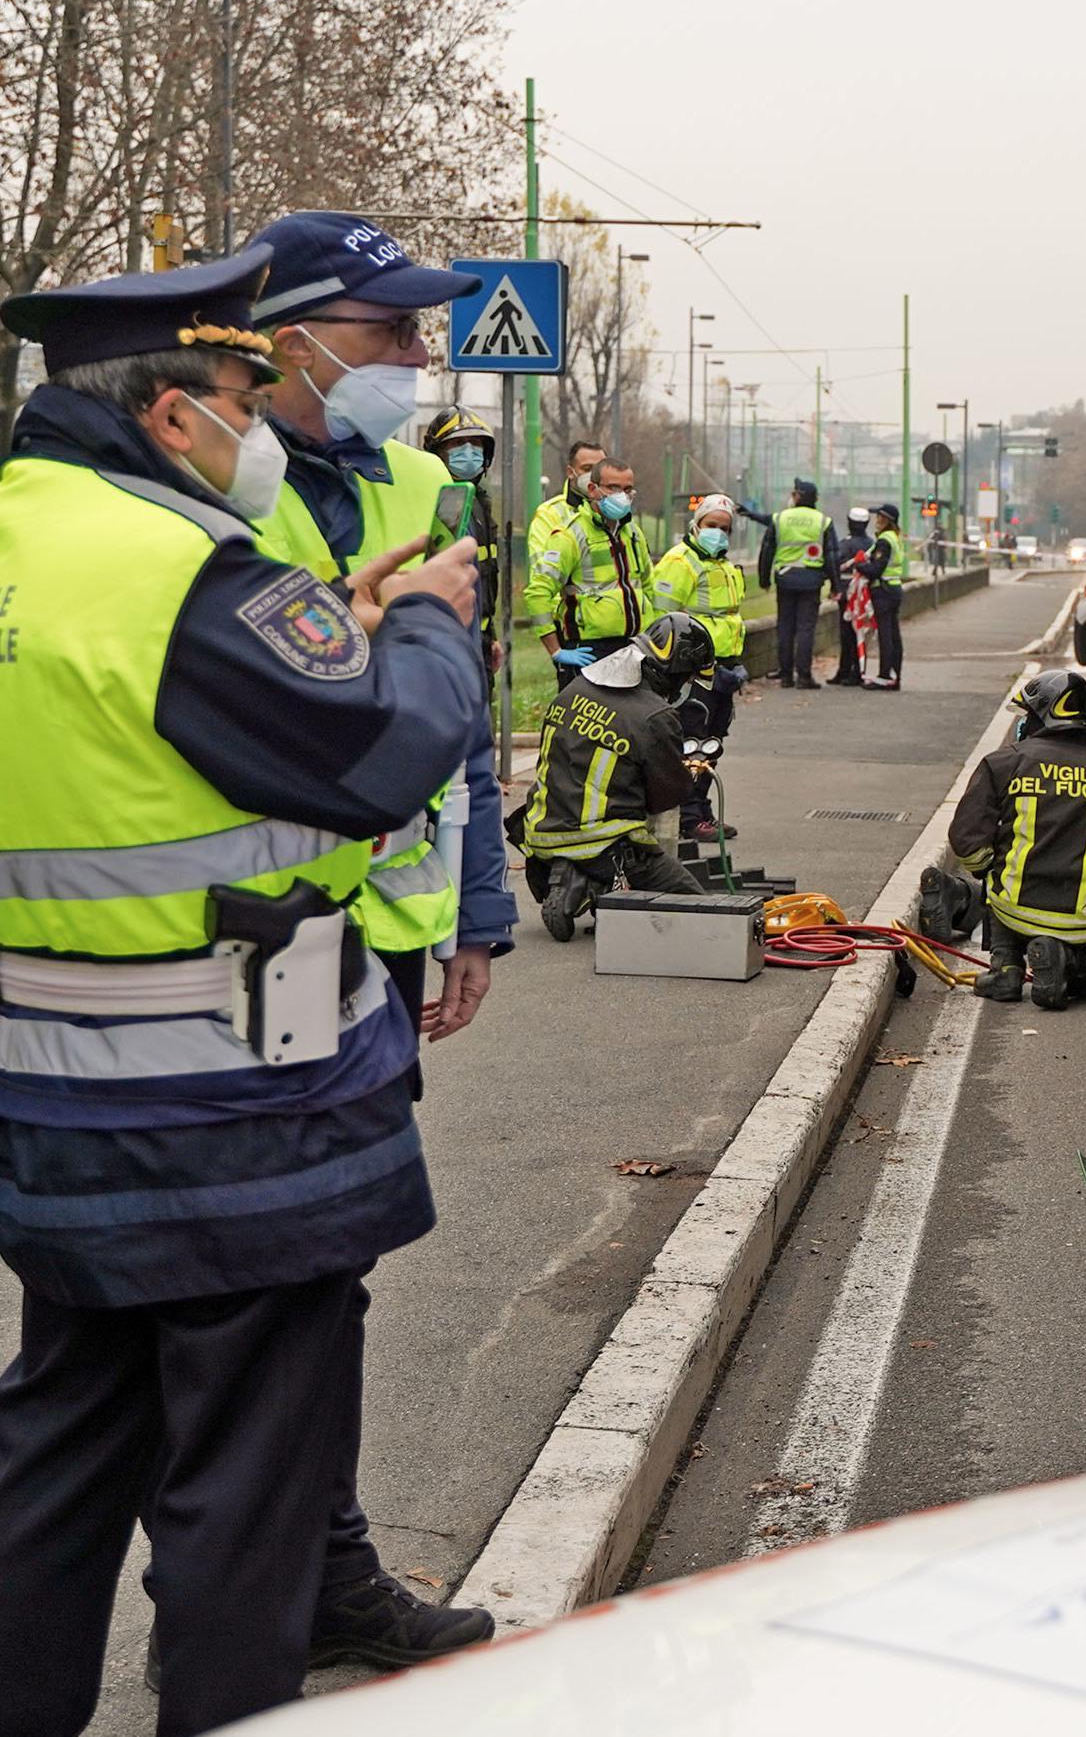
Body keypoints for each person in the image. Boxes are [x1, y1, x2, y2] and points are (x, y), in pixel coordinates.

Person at [0, 249, 485, 1736]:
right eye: (230, 394)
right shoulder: (182, 567)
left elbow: (143, 732)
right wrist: (419, 625)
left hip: (50, 1100)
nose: (250, 421)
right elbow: (381, 754)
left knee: (65, 1447)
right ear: (167, 417)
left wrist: (322, 620)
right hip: (234, 1112)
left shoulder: (27, 537)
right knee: (245, 1493)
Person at [242, 210, 513, 1677]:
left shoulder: (418, 478)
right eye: (389, 333)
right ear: (289, 335)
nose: (418, 362)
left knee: (326, 1266)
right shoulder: (214, 481)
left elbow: (454, 715)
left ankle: (307, 1566)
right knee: (250, 1278)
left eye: (424, 332)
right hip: (236, 936)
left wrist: (478, 911)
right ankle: (263, 1589)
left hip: (378, 946)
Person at [953, 669, 1086, 1010]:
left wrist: (989, 871)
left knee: (999, 887)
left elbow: (966, 839)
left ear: (1044, 715)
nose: (1023, 724)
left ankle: (1006, 968)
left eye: (1028, 715)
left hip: (1013, 911)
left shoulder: (1003, 763)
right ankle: (1070, 962)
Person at [521, 612, 713, 940]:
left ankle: (577, 878)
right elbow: (666, 796)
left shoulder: (572, 691)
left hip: (538, 840)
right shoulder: (656, 716)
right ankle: (595, 879)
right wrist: (687, 775)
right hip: (607, 846)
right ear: (672, 670)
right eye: (686, 678)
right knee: (701, 910)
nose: (684, 687)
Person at [651, 497, 748, 835]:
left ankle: (699, 809)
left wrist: (734, 663)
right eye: (712, 526)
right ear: (696, 524)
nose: (718, 534)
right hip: (694, 672)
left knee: (711, 743)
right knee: (691, 741)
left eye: (725, 528)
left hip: (722, 668)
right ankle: (688, 816)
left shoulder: (722, 564)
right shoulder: (680, 562)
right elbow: (663, 620)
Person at [524, 455, 651, 676]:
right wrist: (556, 651)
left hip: (634, 648)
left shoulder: (633, 534)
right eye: (612, 487)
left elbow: (649, 586)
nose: (621, 496)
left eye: (627, 489)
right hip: (589, 651)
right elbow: (537, 593)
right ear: (592, 489)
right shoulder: (570, 535)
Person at [422, 408, 500, 661]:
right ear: (437, 454)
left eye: (476, 443)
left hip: (480, 641)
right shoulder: (430, 501)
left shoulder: (480, 504)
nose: (468, 451)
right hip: (445, 644)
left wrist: (491, 636)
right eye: (457, 443)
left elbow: (484, 578)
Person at [763, 477, 836, 690]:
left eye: (794, 493)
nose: (791, 496)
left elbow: (767, 550)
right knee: (806, 629)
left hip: (785, 579)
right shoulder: (823, 521)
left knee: (785, 627)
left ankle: (786, 675)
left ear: (799, 496)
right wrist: (835, 585)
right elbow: (832, 556)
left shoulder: (780, 518)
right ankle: (804, 676)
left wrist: (764, 578)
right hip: (811, 581)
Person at [526, 436, 604, 566]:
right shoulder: (549, 514)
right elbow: (542, 572)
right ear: (570, 472)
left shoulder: (615, 511)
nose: (594, 475)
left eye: (599, 469)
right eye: (587, 469)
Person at [862, 503, 908, 690]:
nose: (876, 520)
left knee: (886, 635)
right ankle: (895, 676)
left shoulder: (884, 541)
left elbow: (876, 569)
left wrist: (859, 567)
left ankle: (884, 675)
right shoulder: (894, 537)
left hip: (883, 591)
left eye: (880, 517)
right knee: (894, 635)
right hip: (894, 588)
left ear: (887, 520)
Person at [832, 504, 874, 687]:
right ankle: (853, 670)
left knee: (846, 633)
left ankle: (848, 671)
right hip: (865, 593)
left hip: (846, 592)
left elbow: (834, 563)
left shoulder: (844, 544)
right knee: (860, 633)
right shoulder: (871, 544)